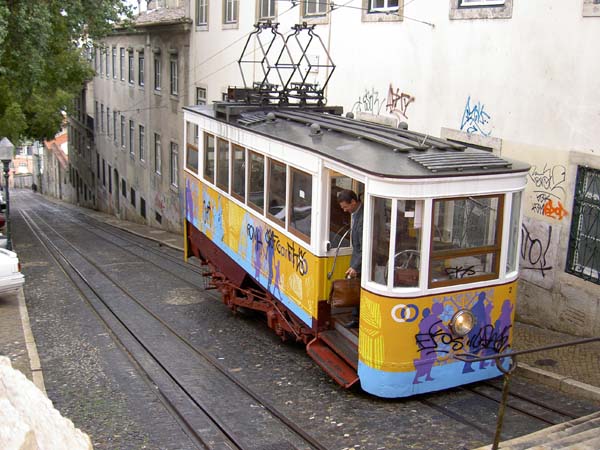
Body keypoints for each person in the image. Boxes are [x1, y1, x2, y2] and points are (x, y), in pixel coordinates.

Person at [337, 189, 363, 329]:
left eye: (346, 207)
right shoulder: (357, 213)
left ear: (353, 202)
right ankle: (356, 316)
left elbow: (364, 246)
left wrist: (355, 266)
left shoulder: (363, 216)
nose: (345, 210)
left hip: (361, 261)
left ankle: (357, 318)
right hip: (357, 258)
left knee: (357, 288)